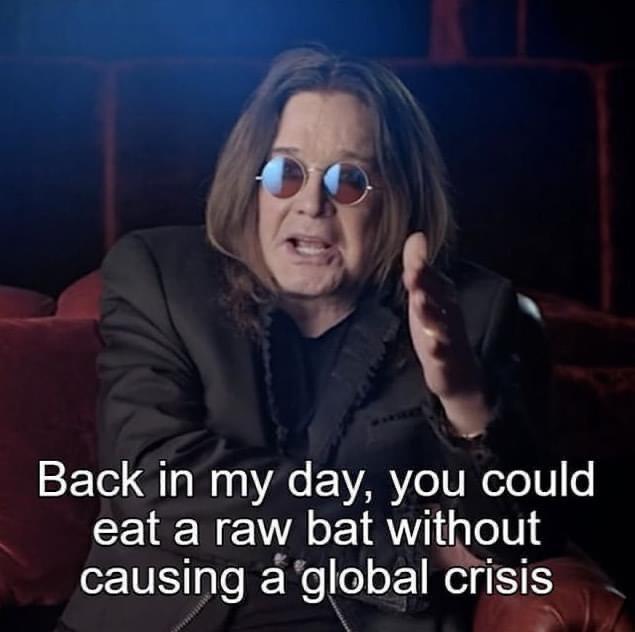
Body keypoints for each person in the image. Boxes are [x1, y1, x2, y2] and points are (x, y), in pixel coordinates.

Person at [56, 46, 629, 632]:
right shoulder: (157, 275)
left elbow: (517, 540)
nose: (310, 203)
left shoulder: (473, 313)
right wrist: (412, 545)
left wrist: (464, 399)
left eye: (349, 179)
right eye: (286, 172)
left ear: (398, 197)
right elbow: (155, 482)